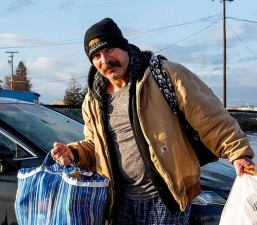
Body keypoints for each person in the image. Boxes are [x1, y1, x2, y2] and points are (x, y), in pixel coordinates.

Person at [50, 17, 255, 225]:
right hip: (120, 202)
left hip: (166, 197)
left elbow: (210, 117)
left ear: (124, 46)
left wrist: (238, 153)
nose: (105, 60)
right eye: (96, 56)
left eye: (109, 49)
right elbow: (96, 146)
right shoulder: (93, 100)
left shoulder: (165, 74)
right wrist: (74, 152)